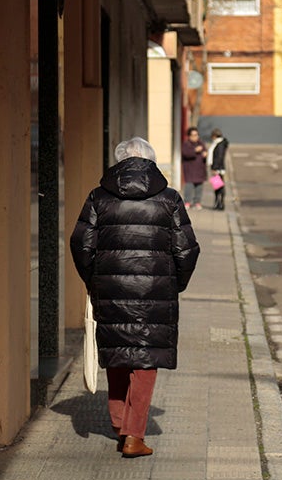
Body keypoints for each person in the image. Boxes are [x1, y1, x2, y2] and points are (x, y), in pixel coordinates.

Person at [69, 137, 201, 458]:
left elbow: (80, 244)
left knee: (117, 354)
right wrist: (175, 284)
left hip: (110, 289)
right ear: (151, 161)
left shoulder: (99, 197)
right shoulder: (169, 198)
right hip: (155, 291)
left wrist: (94, 280)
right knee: (145, 361)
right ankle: (134, 435)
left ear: (119, 162)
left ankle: (119, 425)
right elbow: (187, 248)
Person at [181, 127, 208, 209]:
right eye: (193, 135)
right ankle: (187, 202)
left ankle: (197, 202)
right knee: (189, 186)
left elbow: (205, 151)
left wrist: (205, 154)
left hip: (200, 169)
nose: (195, 137)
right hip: (190, 169)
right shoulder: (186, 144)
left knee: (199, 187)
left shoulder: (201, 143)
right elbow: (186, 154)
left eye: (196, 135)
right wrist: (195, 150)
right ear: (189, 136)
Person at [206, 128, 229, 210]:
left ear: (215, 136)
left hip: (218, 169)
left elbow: (219, 157)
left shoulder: (220, 144)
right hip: (217, 168)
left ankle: (220, 204)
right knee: (217, 186)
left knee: (219, 186)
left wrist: (215, 168)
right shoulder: (217, 143)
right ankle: (218, 203)